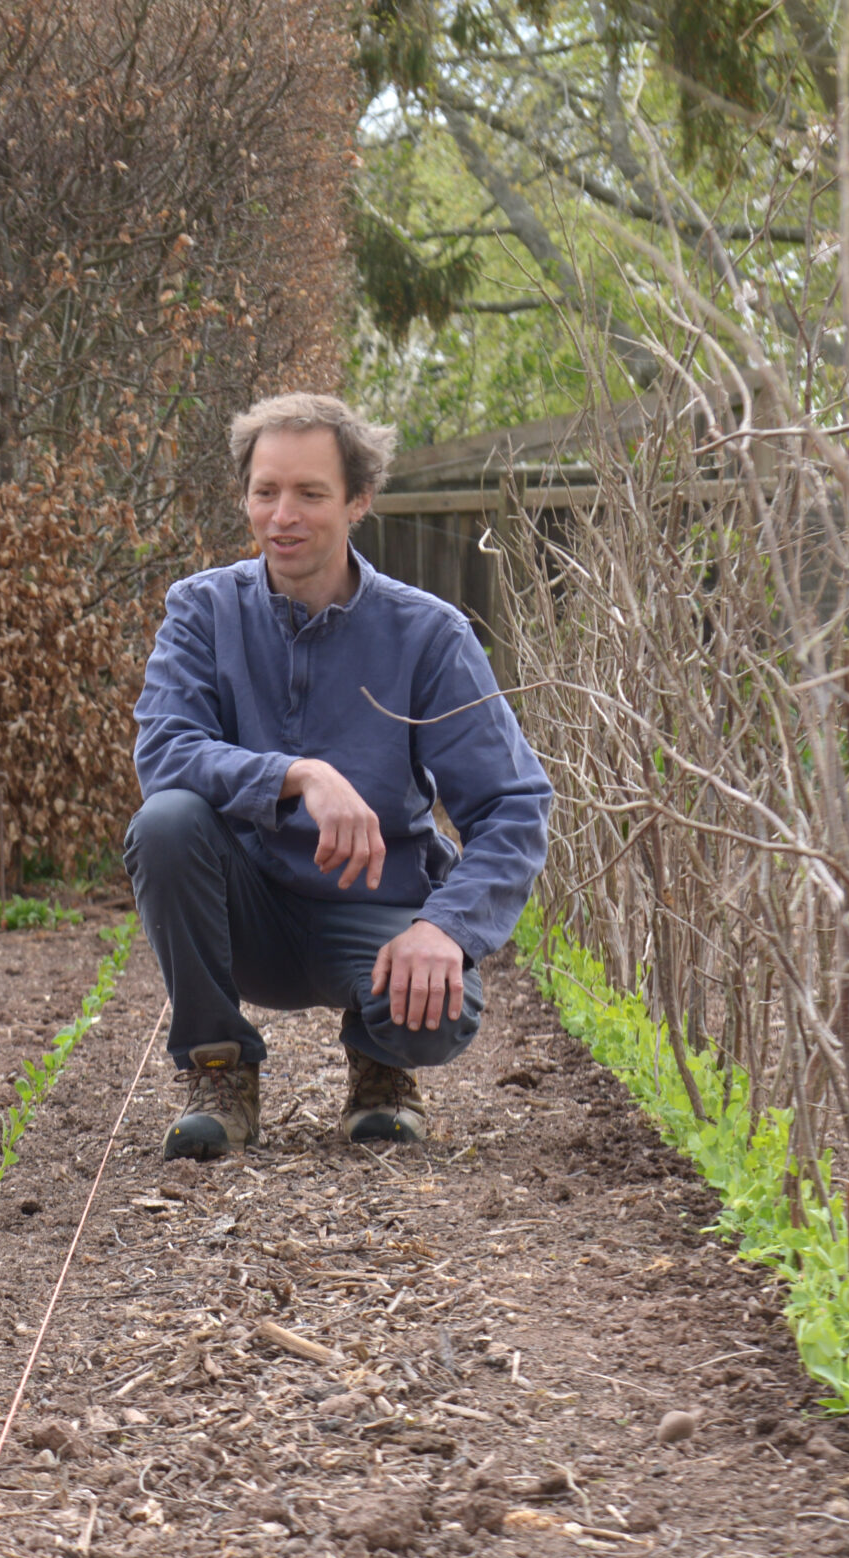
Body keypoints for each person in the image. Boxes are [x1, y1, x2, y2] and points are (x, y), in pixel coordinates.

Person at [126, 393, 553, 1159]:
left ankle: (382, 1062)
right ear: (246, 496)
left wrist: (444, 929)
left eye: (311, 493)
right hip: (245, 912)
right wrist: (296, 774)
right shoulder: (201, 612)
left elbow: (512, 806)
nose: (282, 514)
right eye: (266, 491)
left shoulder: (427, 636)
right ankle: (218, 1068)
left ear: (358, 500)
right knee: (165, 824)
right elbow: (164, 750)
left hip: (375, 913)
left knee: (436, 1014)